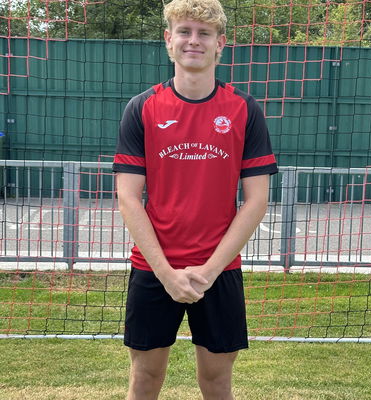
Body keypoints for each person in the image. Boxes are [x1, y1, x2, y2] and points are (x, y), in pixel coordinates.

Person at [112, 0, 278, 398]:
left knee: (217, 381)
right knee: (145, 378)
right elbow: (128, 197)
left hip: (219, 270)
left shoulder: (244, 109)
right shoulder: (142, 108)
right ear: (168, 40)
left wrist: (208, 270)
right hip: (154, 269)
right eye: (184, 31)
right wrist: (166, 273)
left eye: (204, 33)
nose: (193, 41)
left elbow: (256, 200)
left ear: (220, 43)